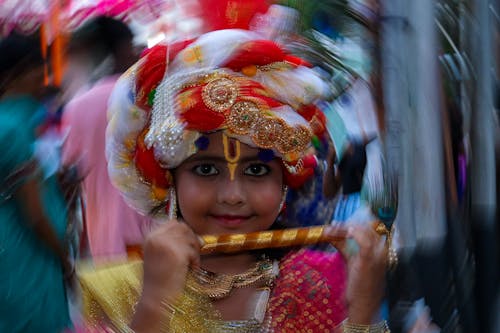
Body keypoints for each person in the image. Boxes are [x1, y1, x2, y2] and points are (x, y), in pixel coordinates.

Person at [78, 29, 389, 332]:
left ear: (285, 182)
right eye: (205, 170)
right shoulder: (113, 293)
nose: (232, 195)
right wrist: (153, 307)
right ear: (170, 180)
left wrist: (363, 312)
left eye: (256, 171)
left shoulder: (328, 281)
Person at [62, 16, 151, 258]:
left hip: (104, 241)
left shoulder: (77, 106)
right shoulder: (148, 96)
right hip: (158, 236)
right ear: (122, 48)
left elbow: (72, 174)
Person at [0, 33, 71, 332]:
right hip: (28, 255)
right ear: (14, 75)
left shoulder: (17, 122)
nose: (44, 79)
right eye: (38, 70)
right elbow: (35, 214)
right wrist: (65, 258)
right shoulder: (15, 128)